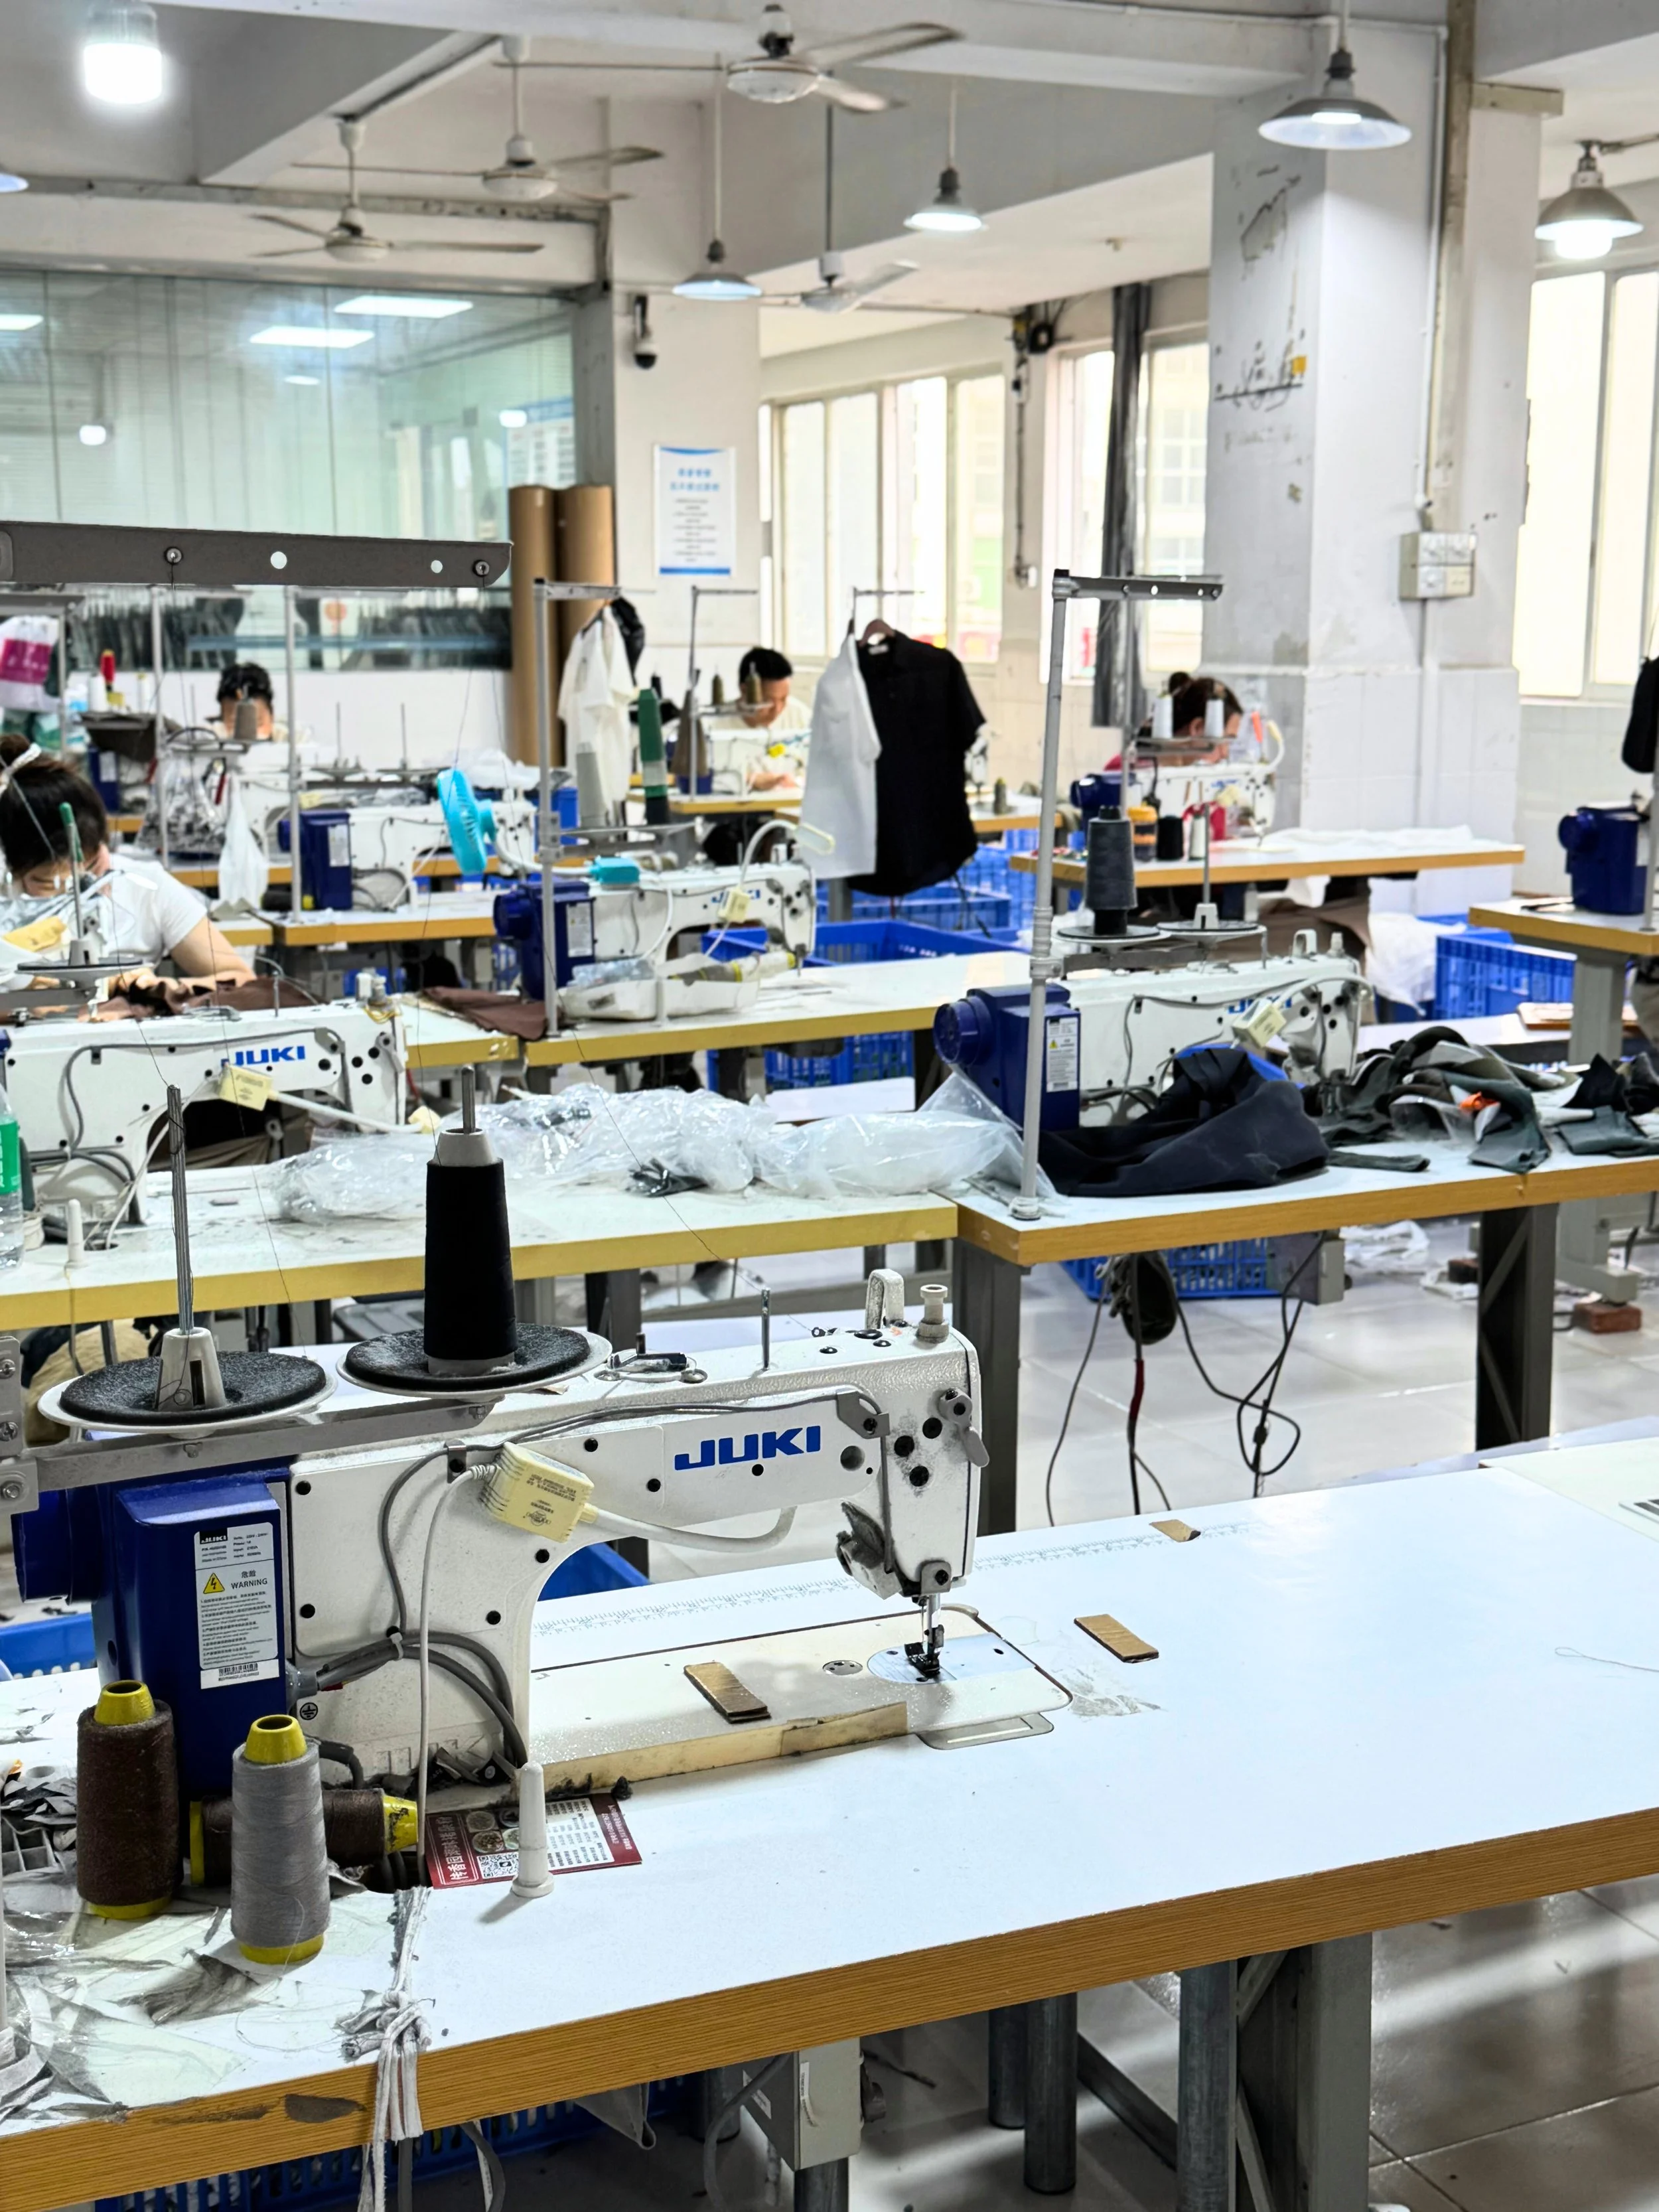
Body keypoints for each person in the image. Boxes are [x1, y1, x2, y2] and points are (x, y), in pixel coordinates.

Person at [0, 739, 254, 985]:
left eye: (90, 871)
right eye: (46, 883)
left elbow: (239, 978)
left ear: (101, 848)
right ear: (9, 868)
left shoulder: (146, 887)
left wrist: (164, 989)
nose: (75, 892)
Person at [737, 647, 811, 737]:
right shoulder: (717, 726)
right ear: (744, 690)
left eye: (783, 699)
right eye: (769, 701)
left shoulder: (801, 717)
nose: (777, 710)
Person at [216, 662, 280, 741]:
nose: (248, 738)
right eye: (236, 725)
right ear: (223, 720)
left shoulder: (292, 742)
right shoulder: (211, 740)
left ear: (272, 717)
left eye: (257, 724)